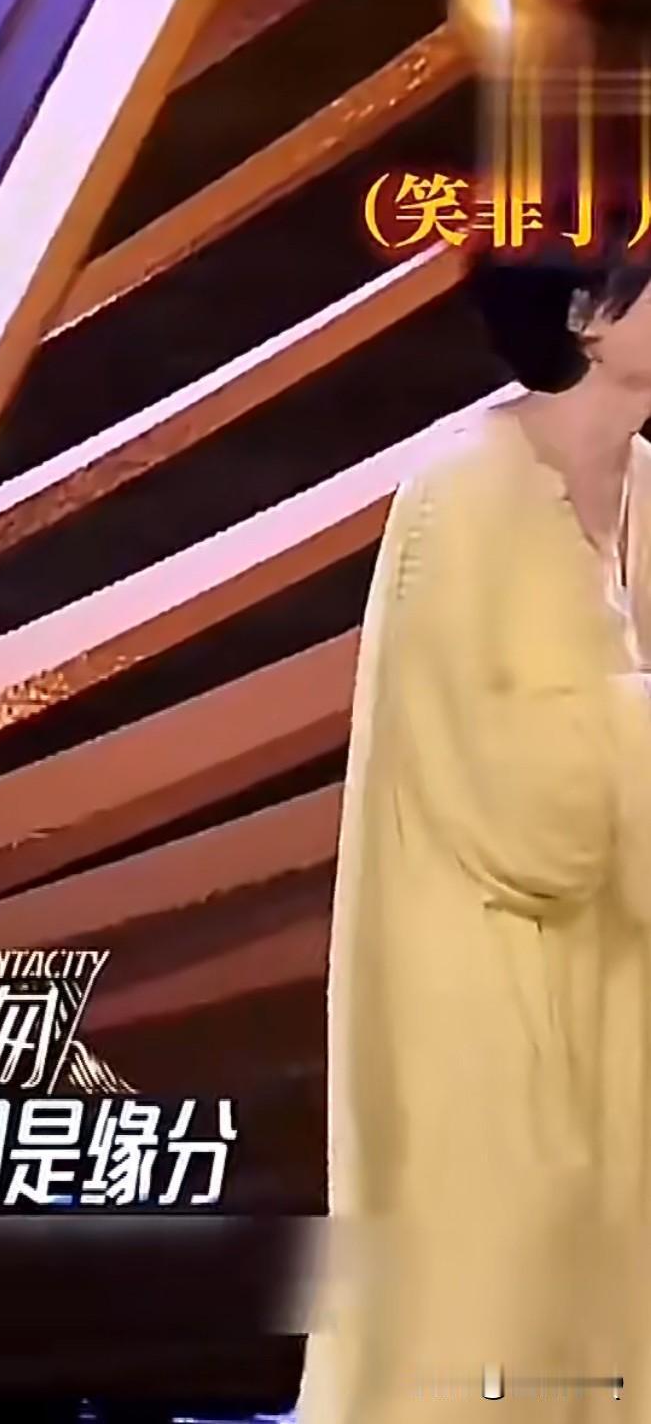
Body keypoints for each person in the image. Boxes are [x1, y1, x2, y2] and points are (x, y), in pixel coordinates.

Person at [297, 229, 651, 1423]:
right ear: (586, 315)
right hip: (487, 969)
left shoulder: (646, 485)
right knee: (503, 1285)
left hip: (616, 973)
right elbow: (516, 799)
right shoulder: (465, 489)